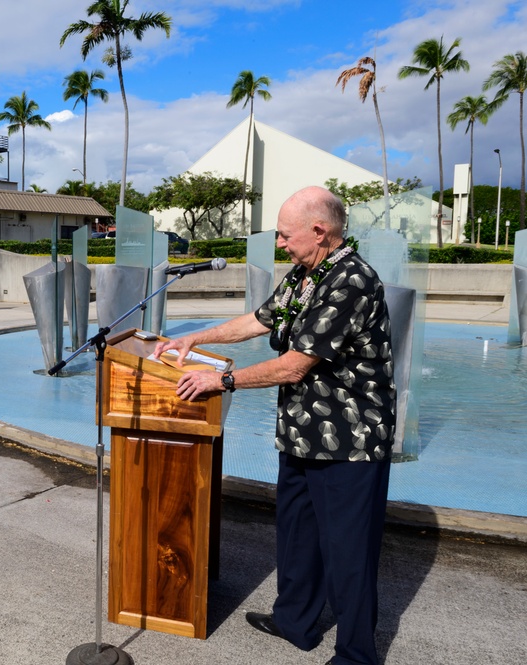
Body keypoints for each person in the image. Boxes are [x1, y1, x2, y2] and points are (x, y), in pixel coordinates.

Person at [153, 186, 395, 665]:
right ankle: (295, 622)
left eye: (286, 235)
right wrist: (195, 337)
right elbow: (259, 320)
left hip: (349, 442)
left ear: (319, 231)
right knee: (297, 534)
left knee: (348, 553)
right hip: (303, 433)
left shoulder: (350, 280)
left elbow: (293, 366)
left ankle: (356, 655)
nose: (281, 243)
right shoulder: (308, 273)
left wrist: (220, 380)